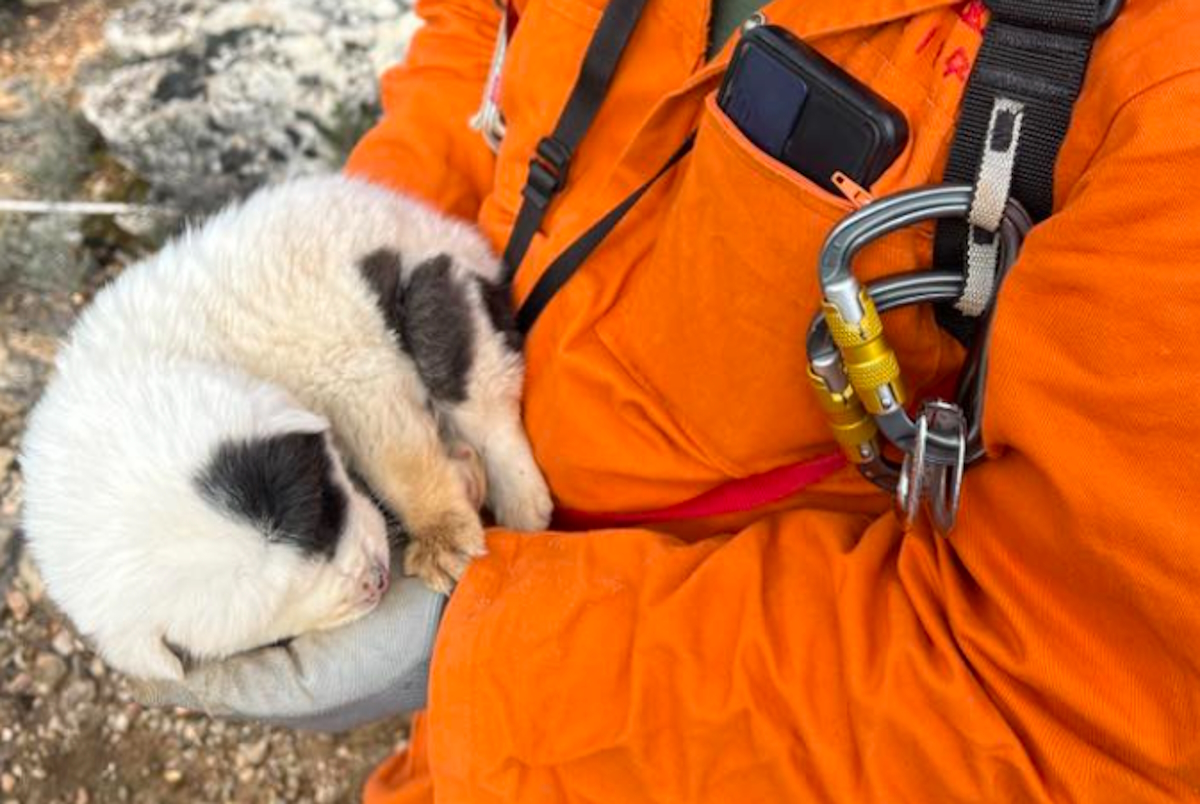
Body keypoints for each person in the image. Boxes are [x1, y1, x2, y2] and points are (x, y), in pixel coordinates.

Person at [138, 0, 1200, 800]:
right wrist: (357, 306)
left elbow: (1076, 714)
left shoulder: (1166, 80)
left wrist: (485, 651)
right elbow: (476, 39)